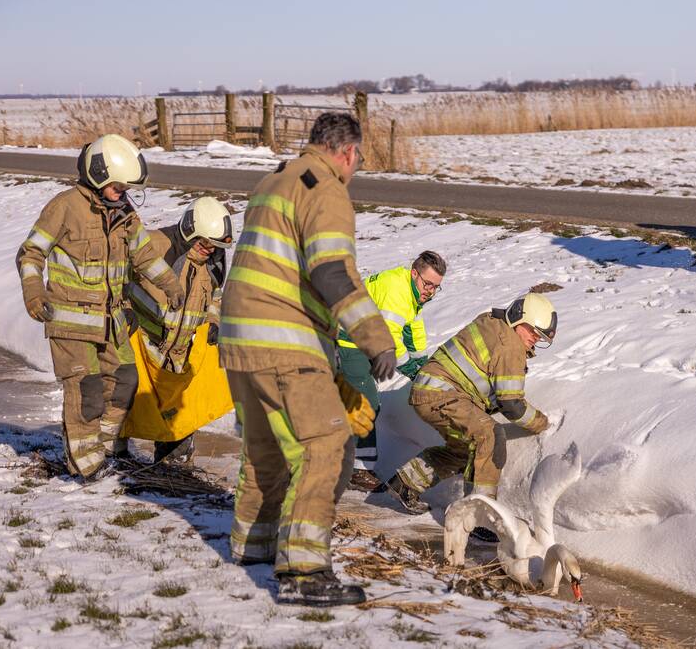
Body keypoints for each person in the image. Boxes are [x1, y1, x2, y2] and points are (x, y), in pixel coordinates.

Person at [219, 112, 395, 606]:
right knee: (325, 444)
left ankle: (253, 545)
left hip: (240, 336)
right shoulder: (326, 188)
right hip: (284, 337)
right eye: (359, 158)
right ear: (349, 152)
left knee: (265, 449)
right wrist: (375, 339)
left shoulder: (274, 180)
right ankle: (303, 570)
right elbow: (332, 271)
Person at [16, 134, 184, 478]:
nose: (124, 193)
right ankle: (87, 467)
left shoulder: (125, 214)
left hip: (112, 321)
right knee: (87, 389)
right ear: (98, 174)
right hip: (71, 321)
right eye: (119, 186)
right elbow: (30, 254)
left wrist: (171, 285)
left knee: (126, 379)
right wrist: (34, 293)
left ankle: (103, 449)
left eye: (127, 188)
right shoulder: (65, 207)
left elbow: (145, 256)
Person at [387, 293, 556, 531]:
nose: (534, 340)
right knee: (490, 435)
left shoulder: (492, 322)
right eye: (533, 332)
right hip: (442, 393)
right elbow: (512, 404)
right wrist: (541, 423)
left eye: (540, 337)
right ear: (520, 319)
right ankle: (478, 519)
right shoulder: (510, 345)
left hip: (430, 390)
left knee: (467, 451)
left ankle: (406, 482)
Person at [121, 197, 235, 463]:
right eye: (204, 243)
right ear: (189, 232)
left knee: (179, 418)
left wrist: (214, 322)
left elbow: (215, 296)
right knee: (124, 405)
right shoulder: (154, 244)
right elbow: (115, 274)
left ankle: (172, 466)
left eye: (215, 246)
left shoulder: (214, 262)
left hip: (178, 356)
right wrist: (123, 310)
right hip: (140, 346)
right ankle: (114, 459)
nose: (209, 250)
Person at [336, 251, 447, 492]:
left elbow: (413, 329)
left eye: (436, 287)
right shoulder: (396, 290)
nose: (430, 291)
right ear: (414, 273)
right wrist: (409, 367)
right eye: (428, 284)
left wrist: (422, 364)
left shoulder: (412, 293)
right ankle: (357, 470)